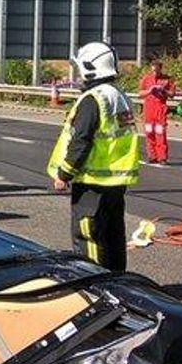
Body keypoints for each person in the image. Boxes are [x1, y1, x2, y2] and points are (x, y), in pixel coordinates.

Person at [47, 41, 139, 272]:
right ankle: (117, 282)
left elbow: (81, 140)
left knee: (88, 235)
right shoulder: (119, 95)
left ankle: (93, 285)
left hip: (92, 182)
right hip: (115, 181)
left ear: (91, 68)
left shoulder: (93, 99)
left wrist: (64, 173)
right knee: (112, 235)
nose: (78, 75)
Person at [138, 60, 176, 164]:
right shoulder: (146, 79)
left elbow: (172, 94)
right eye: (153, 70)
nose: (155, 72)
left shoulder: (167, 79)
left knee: (160, 133)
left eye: (157, 70)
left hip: (160, 110)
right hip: (149, 110)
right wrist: (149, 91)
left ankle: (162, 157)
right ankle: (152, 156)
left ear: (160, 69)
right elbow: (140, 93)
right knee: (149, 133)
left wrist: (164, 91)